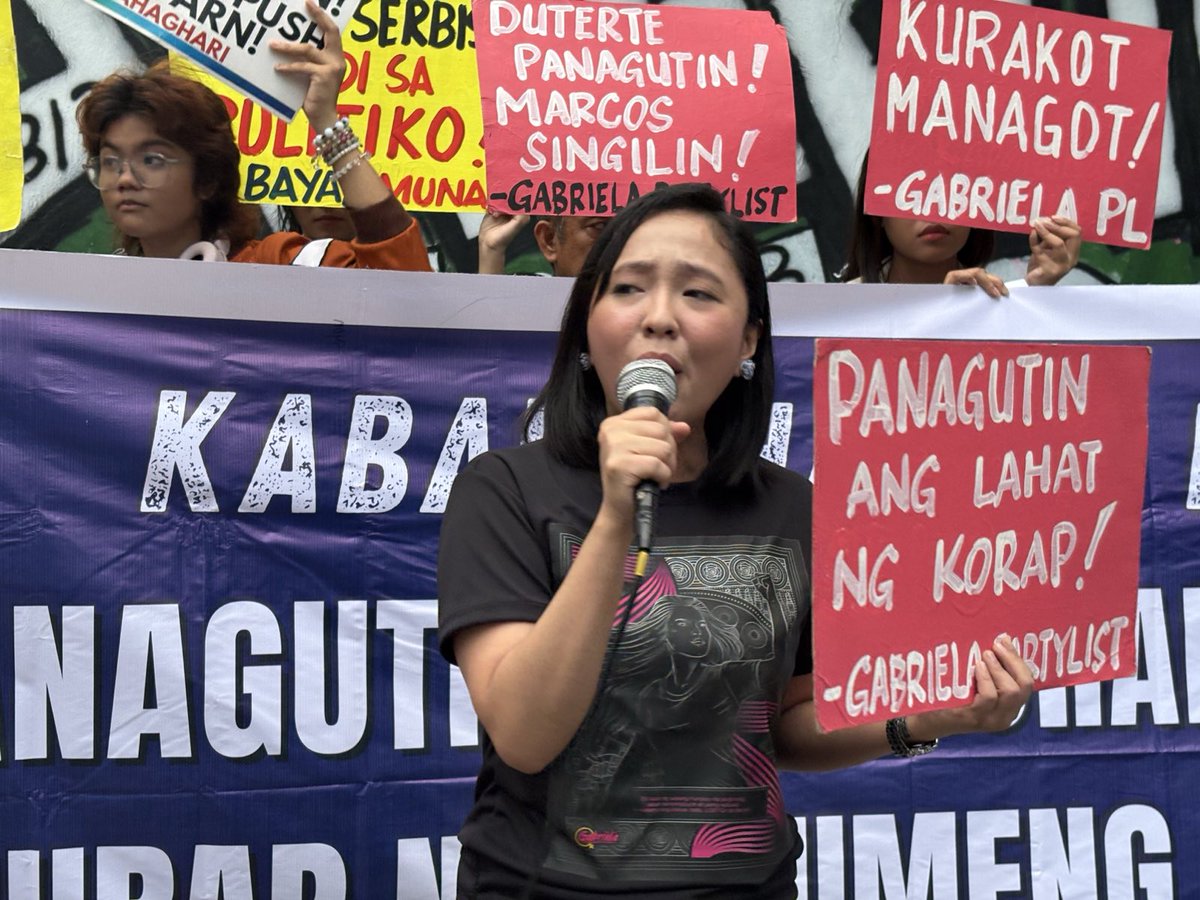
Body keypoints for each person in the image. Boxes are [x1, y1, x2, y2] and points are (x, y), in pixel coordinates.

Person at [438, 183, 1033, 898]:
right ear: (588, 325)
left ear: (749, 339)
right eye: (627, 288)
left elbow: (782, 725)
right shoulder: (503, 491)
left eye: (698, 293)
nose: (660, 318)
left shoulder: (791, 507)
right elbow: (524, 736)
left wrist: (932, 717)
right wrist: (617, 519)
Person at [75, 0, 428, 270]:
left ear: (207, 179)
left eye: (151, 160)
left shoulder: (279, 266)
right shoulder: (90, 297)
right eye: (110, 161)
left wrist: (325, 119)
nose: (124, 179)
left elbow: (405, 286)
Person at [841, 153, 1081, 296]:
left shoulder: (999, 307)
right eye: (912, 191)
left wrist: (1037, 290)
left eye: (953, 189)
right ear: (877, 215)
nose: (933, 208)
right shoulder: (841, 314)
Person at [477, 212, 607, 277]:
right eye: (600, 226)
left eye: (617, 225)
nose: (616, 241)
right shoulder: (526, 305)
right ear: (549, 240)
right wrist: (491, 253)